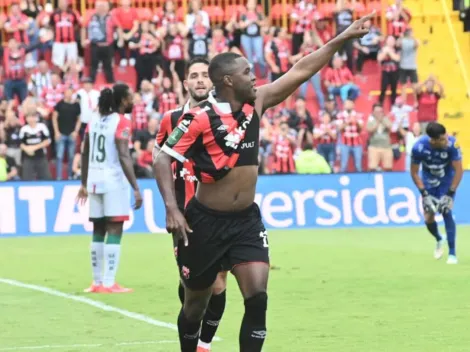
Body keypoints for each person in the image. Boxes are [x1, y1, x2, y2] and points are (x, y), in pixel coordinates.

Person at [153, 12, 373, 352]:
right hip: (204, 224)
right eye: (246, 73)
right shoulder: (198, 119)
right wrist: (172, 209)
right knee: (194, 306)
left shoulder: (256, 102)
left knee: (257, 298)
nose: (254, 77)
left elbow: (300, 71)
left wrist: (341, 38)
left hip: (246, 222)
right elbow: (161, 157)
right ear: (227, 81)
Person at [153, 57, 227, 352]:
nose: (199, 80)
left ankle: (204, 345)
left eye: (204, 75)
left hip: (220, 215)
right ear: (185, 83)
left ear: (213, 81)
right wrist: (170, 208)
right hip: (185, 216)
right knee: (192, 288)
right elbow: (160, 161)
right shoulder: (170, 119)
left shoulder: (225, 116)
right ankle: (192, 337)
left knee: (219, 284)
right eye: (193, 75)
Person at [76, 84, 143, 293]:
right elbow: (124, 155)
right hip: (113, 181)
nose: (133, 100)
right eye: (130, 97)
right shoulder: (121, 121)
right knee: (115, 228)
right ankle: (109, 282)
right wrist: (135, 187)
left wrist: (83, 183)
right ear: (122, 100)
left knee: (98, 229)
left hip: (94, 181)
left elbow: (85, 153)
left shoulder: (93, 120)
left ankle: (96, 282)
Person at [410, 122, 463, 264]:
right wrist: (424, 193)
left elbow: (459, 170)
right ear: (433, 140)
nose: (446, 140)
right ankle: (439, 238)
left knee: (446, 211)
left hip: (446, 180)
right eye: (442, 139)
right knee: (428, 218)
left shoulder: (453, 144)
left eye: (446, 136)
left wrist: (451, 193)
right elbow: (414, 173)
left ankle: (452, 254)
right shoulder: (418, 148)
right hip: (429, 182)